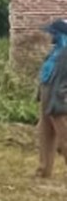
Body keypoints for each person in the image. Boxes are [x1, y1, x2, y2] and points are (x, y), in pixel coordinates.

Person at [37, 18, 67, 178]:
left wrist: (62, 98)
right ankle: (44, 169)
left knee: (64, 135)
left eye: (53, 33)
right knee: (45, 131)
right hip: (48, 90)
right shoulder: (56, 50)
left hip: (60, 97)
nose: (50, 36)